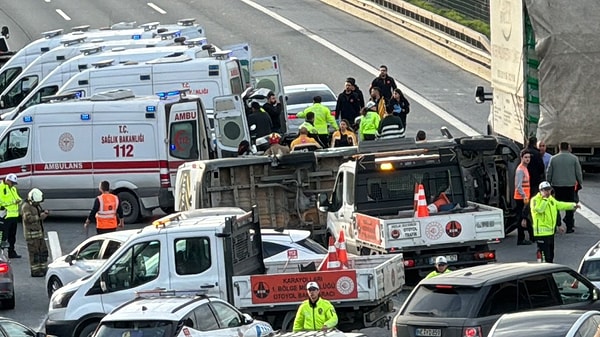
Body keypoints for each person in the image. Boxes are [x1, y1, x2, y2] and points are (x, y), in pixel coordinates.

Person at [531, 181, 580, 263]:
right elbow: (539, 210)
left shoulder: (551, 199)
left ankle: (549, 271)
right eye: (545, 190)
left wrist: (572, 205)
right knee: (545, 257)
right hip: (541, 234)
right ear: (540, 191)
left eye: (549, 190)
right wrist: (545, 200)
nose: (547, 192)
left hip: (550, 232)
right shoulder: (535, 200)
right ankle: (544, 272)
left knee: (551, 255)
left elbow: (560, 204)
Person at [546, 142, 583, 233]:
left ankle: (555, 224)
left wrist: (548, 183)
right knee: (570, 206)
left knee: (555, 206)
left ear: (559, 148)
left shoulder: (553, 159)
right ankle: (569, 227)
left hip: (556, 185)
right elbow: (578, 172)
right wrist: (580, 182)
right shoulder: (574, 159)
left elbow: (549, 172)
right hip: (569, 185)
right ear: (568, 147)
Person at [20, 188, 49, 277]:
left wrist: (43, 213)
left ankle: (43, 269)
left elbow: (37, 214)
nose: (38, 204)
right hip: (31, 237)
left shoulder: (35, 205)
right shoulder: (26, 206)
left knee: (43, 252)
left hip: (39, 235)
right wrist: (40, 217)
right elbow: (28, 219)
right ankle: (35, 271)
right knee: (34, 254)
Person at [514, 150, 534, 245]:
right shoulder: (520, 170)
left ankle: (531, 237)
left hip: (524, 197)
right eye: (526, 157)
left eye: (529, 157)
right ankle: (521, 239)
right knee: (522, 218)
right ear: (521, 158)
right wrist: (524, 196)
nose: (528, 159)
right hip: (521, 198)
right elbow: (518, 186)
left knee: (526, 217)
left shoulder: (525, 168)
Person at [0, 173, 22, 258]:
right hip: (5, 215)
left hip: (13, 216)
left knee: (12, 236)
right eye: (12, 183)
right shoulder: (1, 188)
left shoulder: (13, 189)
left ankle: (11, 252)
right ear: (7, 180)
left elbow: (17, 197)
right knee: (2, 237)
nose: (13, 185)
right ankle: (1, 254)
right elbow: (1, 202)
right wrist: (13, 202)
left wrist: (19, 200)